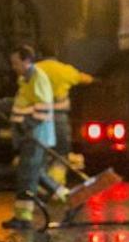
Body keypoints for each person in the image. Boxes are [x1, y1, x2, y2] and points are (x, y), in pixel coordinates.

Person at [2, 44, 67, 229]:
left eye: (16, 63)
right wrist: (6, 105)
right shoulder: (26, 79)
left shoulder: (37, 78)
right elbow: (25, 103)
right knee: (35, 173)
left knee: (26, 176)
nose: (13, 66)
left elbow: (43, 107)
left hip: (35, 137)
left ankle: (23, 218)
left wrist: (26, 126)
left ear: (27, 61)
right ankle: (65, 195)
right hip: (30, 136)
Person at [35, 41, 94, 189]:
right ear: (56, 54)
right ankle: (57, 185)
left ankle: (44, 186)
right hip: (59, 119)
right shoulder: (64, 70)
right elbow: (85, 79)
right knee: (61, 153)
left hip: (40, 119)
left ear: (40, 54)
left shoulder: (34, 71)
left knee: (43, 152)